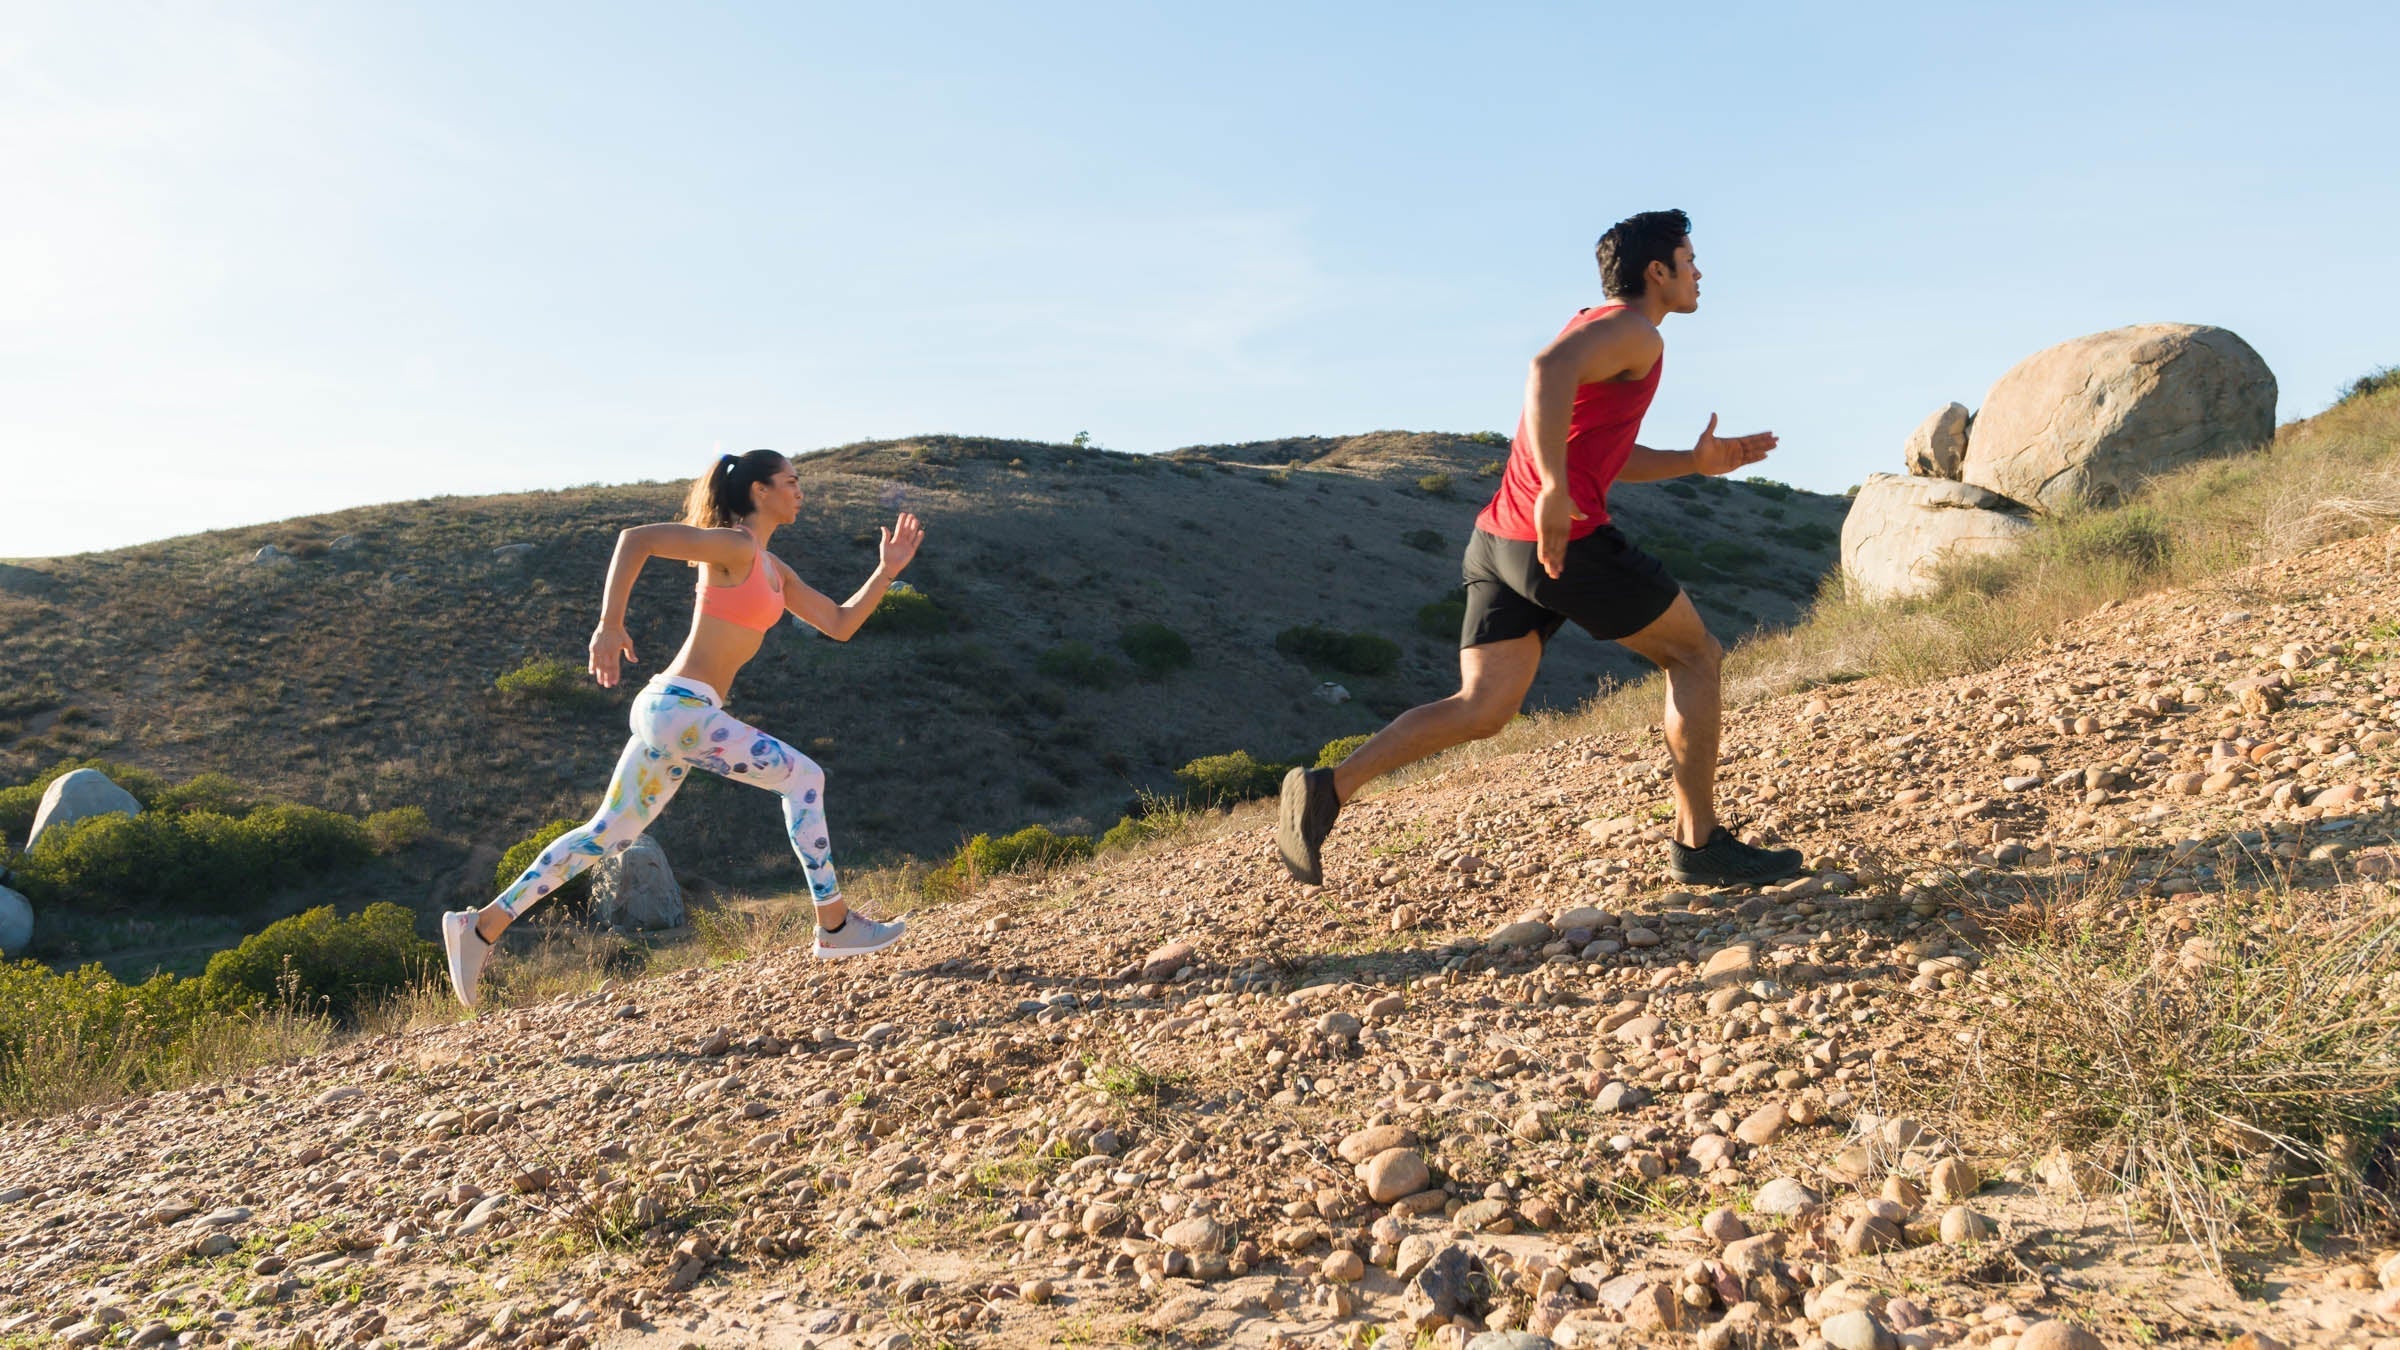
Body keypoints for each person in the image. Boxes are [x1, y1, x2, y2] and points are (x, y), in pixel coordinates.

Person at [1278, 209, 1804, 889]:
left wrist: (1693, 463)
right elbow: (1544, 369)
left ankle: (1327, 790)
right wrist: (1556, 489)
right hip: (1565, 543)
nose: (1699, 272)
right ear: (1658, 272)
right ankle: (1701, 846)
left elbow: (1600, 454)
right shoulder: (1632, 331)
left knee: (1482, 708)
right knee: (1695, 654)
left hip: (1500, 539)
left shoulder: (1600, 329)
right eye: (1690, 258)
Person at [441, 449, 923, 1007]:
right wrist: (608, 626)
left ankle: (480, 927)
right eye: (791, 482)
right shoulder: (736, 546)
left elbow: (839, 623)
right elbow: (635, 539)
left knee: (608, 835)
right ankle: (835, 926)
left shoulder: (773, 569)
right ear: (760, 492)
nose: (800, 491)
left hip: (677, 713)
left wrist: (886, 570)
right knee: (805, 778)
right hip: (682, 711)